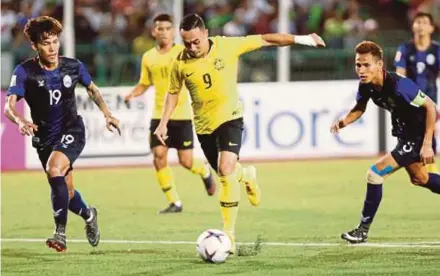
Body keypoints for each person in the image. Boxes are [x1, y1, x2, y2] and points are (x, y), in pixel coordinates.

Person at [154, 13, 325, 253]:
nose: (192, 47)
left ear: (205, 33)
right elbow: (173, 93)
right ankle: (247, 175)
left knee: (225, 171)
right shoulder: (179, 62)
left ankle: (229, 236)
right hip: (203, 126)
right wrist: (163, 123)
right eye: (187, 43)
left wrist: (303, 39)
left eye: (196, 41)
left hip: (230, 117)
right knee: (231, 175)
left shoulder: (227, 45)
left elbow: (267, 40)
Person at [4, 16, 121, 252]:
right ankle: (89, 215)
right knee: (65, 192)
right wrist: (20, 120)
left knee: (54, 169)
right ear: (35, 46)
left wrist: (107, 114)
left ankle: (60, 234)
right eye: (46, 43)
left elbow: (92, 89)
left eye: (55, 41)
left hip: (72, 130)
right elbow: (8, 106)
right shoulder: (25, 71)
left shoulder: (73, 66)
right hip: (45, 138)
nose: (53, 47)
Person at [332, 41, 440, 244]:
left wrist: (427, 144)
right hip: (403, 134)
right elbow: (359, 107)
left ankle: (362, 230)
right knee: (420, 178)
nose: (361, 70)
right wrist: (345, 121)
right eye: (358, 65)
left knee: (375, 173)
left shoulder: (401, 86)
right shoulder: (366, 85)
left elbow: (431, 107)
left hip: (416, 136)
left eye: (366, 65)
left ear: (379, 64)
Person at [124, 14, 216, 214]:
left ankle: (204, 170)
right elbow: (145, 83)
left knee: (186, 161)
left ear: (173, 31)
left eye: (167, 28)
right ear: (153, 32)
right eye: (160, 28)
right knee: (159, 156)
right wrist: (133, 94)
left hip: (182, 113)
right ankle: (175, 202)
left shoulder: (185, 51)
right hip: (159, 115)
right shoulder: (148, 57)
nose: (164, 32)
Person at [394, 12, 440, 174]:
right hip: (410, 98)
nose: (420, 25)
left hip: (431, 98)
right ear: (413, 26)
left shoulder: (437, 50)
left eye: (424, 22)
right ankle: (410, 162)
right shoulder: (405, 48)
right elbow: (400, 74)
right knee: (411, 129)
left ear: (431, 27)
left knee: (429, 128)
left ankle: (430, 164)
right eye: (417, 22)